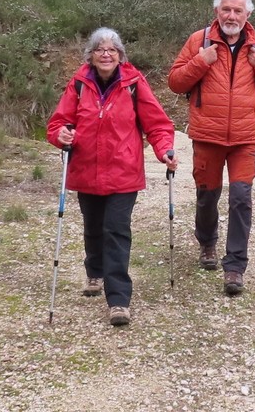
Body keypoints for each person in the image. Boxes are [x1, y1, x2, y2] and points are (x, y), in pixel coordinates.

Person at [47, 27, 177, 327]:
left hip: (123, 172)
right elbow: (58, 124)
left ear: (120, 55)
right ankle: (95, 270)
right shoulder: (79, 84)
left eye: (112, 49)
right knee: (93, 228)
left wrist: (165, 150)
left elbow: (157, 123)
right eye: (100, 49)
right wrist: (62, 135)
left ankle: (119, 300)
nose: (106, 54)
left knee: (115, 231)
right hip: (86, 171)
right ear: (90, 56)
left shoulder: (133, 84)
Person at [168, 0, 255, 295]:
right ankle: (207, 243)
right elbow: (176, 82)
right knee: (207, 196)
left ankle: (234, 267)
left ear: (248, 15)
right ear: (217, 12)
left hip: (245, 137)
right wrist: (200, 62)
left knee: (241, 198)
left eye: (238, 11)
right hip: (207, 135)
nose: (231, 16)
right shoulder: (198, 41)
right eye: (226, 10)